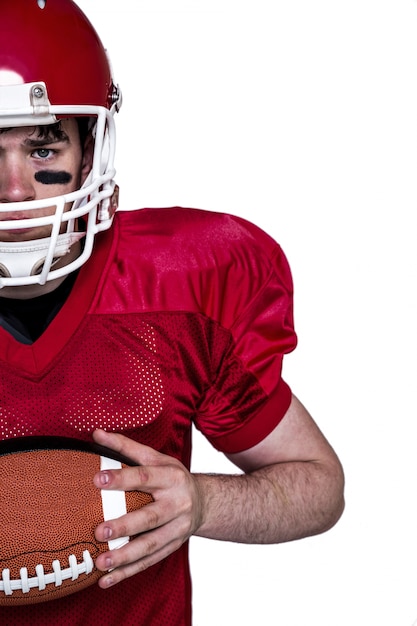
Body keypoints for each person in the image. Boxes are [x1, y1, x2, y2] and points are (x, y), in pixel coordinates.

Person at [0, 1, 345, 624]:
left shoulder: (178, 288)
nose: (17, 188)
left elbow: (318, 485)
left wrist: (204, 502)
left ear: (90, 147)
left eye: (44, 148)